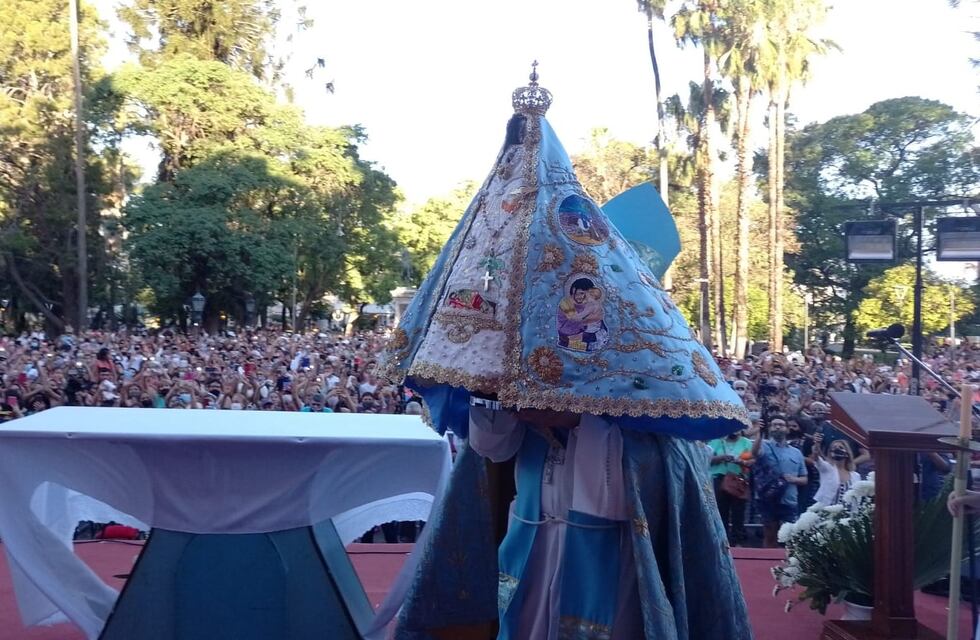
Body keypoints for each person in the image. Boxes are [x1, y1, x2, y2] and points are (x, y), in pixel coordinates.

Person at [752, 416, 807, 547]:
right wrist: (759, 433)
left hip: (789, 498)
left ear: (787, 429)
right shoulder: (763, 445)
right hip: (767, 498)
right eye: (774, 424)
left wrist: (793, 479)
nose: (778, 427)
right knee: (770, 534)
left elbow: (805, 479)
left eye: (781, 425)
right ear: (770, 428)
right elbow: (754, 453)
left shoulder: (796, 453)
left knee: (790, 537)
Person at [708, 430, 754, 546]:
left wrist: (742, 461)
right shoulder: (715, 441)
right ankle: (722, 543)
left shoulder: (746, 442)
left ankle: (738, 542)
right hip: (720, 479)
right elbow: (707, 459)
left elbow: (753, 459)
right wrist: (722, 457)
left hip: (739, 480)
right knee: (720, 512)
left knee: (738, 513)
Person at [809, 433, 860, 507]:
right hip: (827, 511)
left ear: (847, 453)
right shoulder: (826, 468)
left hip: (848, 513)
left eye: (840, 447)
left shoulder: (855, 475)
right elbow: (816, 457)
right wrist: (817, 444)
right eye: (834, 447)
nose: (837, 449)